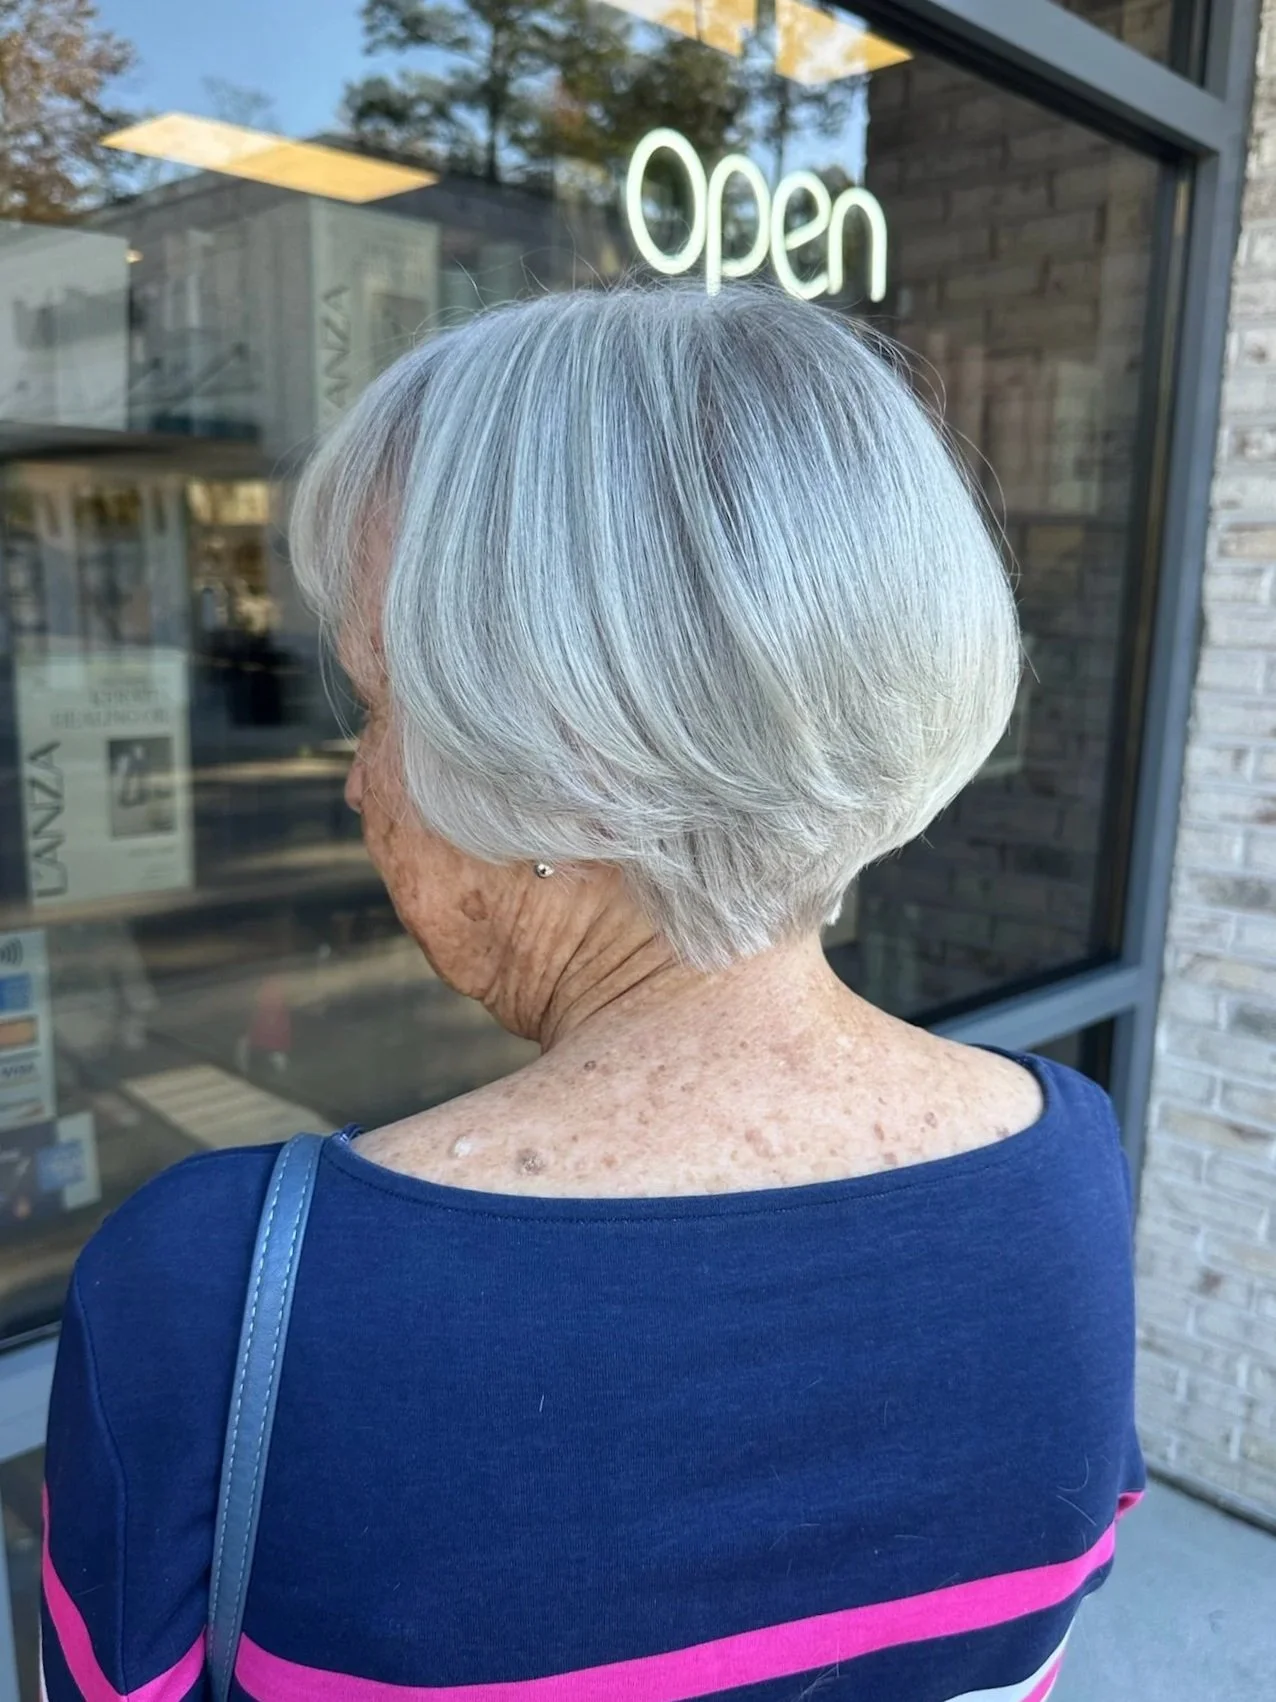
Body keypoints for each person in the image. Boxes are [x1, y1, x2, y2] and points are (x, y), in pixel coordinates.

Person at [41, 286, 1142, 1702]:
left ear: (569, 764)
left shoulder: (227, 1293)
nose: (356, 776)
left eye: (375, 704)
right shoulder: (1062, 1169)